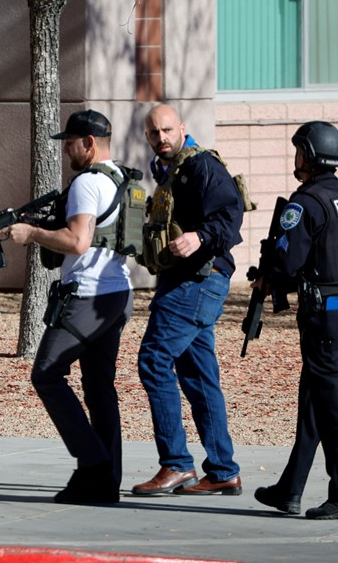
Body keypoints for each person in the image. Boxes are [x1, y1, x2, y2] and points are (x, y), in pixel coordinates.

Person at [0, 109, 134, 504]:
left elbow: (77, 241)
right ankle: (104, 482)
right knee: (98, 387)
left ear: (89, 143)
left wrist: (32, 233)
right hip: (117, 294)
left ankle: (93, 463)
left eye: (71, 143)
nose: (67, 150)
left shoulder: (87, 183)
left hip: (88, 296)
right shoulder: (123, 179)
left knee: (46, 373)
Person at [253, 121, 338, 520]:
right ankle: (290, 489)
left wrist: (271, 270)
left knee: (331, 403)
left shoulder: (304, 203)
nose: (296, 157)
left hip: (325, 318)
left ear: (310, 155)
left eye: (299, 150)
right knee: (316, 400)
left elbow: (288, 263)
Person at [132, 103, 244, 497]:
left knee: (153, 359)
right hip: (184, 281)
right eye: (153, 133)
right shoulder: (167, 170)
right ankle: (223, 470)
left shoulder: (200, 166)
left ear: (181, 128)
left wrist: (199, 236)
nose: (160, 138)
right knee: (198, 375)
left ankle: (177, 465)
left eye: (166, 130)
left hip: (198, 280)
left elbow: (230, 215)